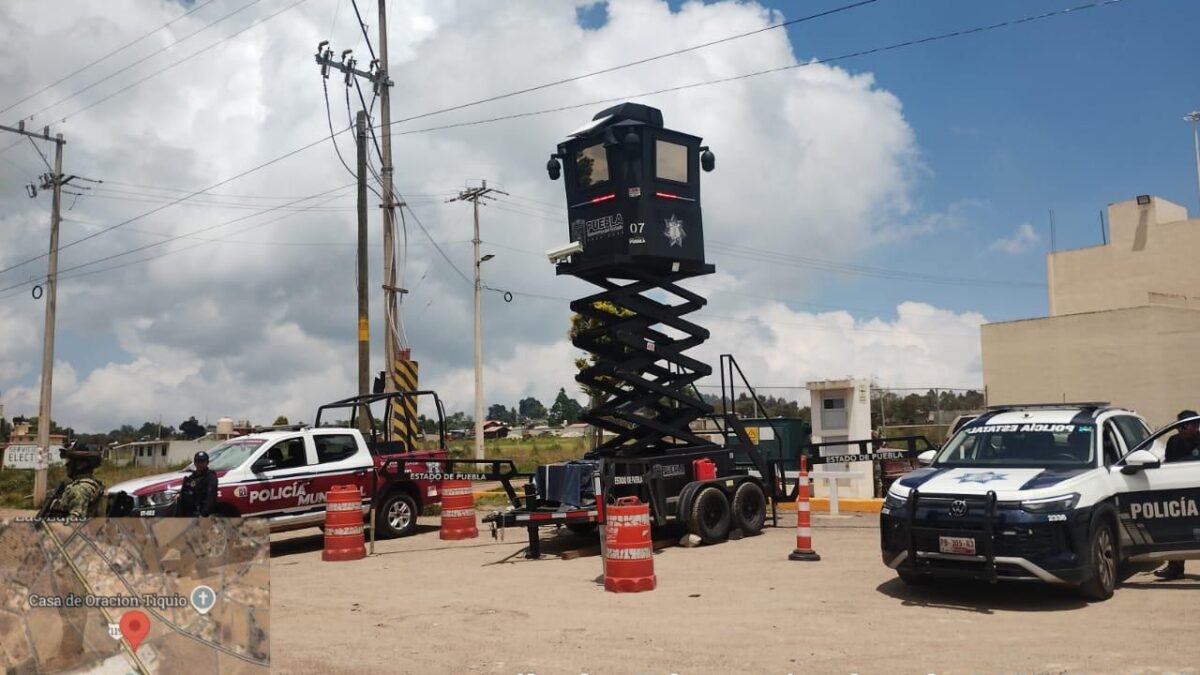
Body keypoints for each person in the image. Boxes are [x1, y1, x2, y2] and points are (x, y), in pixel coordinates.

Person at [1154, 410, 1199, 580]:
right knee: (1178, 527)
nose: (1181, 429)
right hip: (1181, 491)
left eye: (1186, 425)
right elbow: (1169, 466)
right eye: (1179, 425)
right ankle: (1175, 566)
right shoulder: (1173, 442)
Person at [41, 442, 105, 518]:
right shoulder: (91, 485)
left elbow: (73, 524)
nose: (66, 464)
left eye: (69, 460)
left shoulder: (79, 490)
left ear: (80, 464)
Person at [177, 451, 219, 517]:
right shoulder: (191, 478)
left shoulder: (210, 477)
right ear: (194, 463)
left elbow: (210, 498)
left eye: (202, 462)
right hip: (189, 514)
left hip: (202, 514)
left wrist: (203, 514)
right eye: (198, 461)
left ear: (207, 463)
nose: (200, 464)